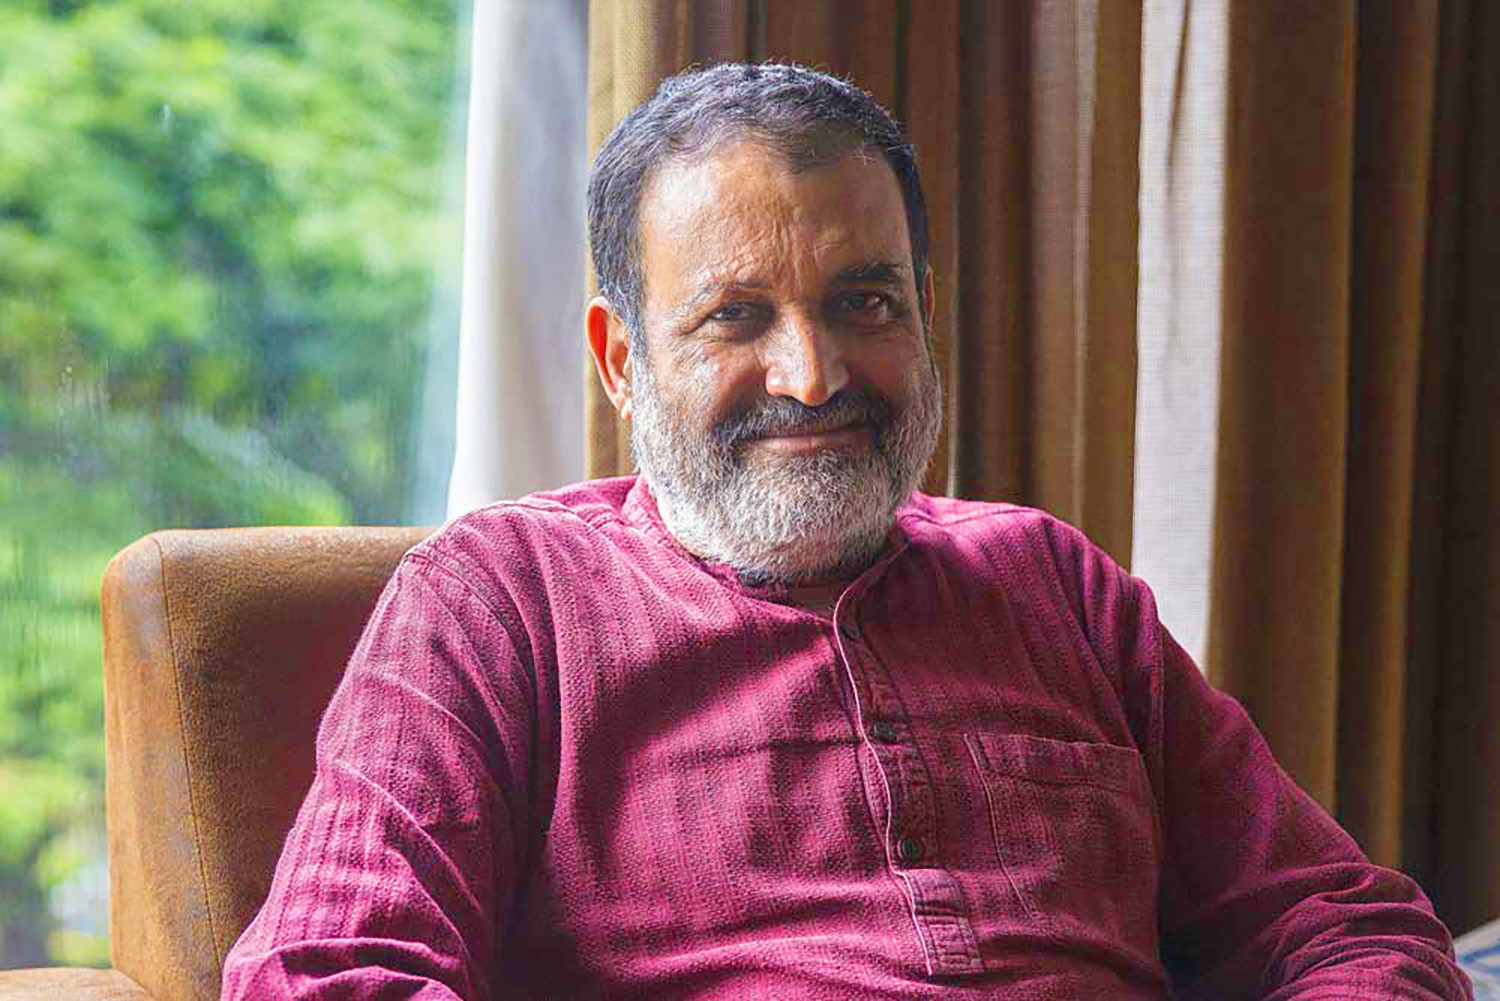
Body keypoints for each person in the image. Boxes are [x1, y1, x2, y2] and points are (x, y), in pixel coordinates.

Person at [221, 63, 1472, 1000]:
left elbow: (1347, 925)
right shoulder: (498, 601)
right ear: (621, 360)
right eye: (735, 316)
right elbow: (328, 973)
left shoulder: (1056, 583)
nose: (812, 375)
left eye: (862, 301)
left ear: (922, 310)